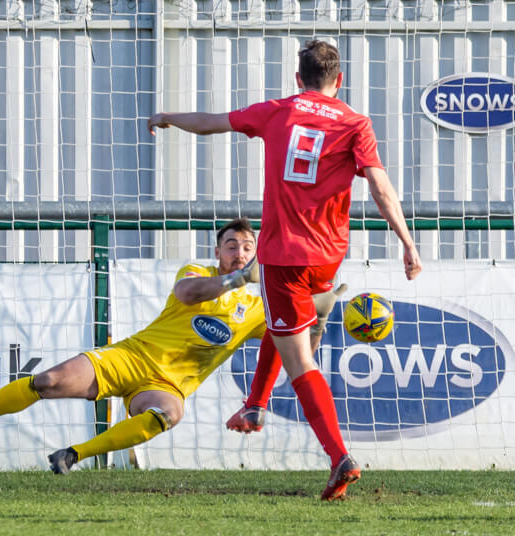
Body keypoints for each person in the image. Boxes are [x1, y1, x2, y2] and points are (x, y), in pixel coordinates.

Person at [149, 38, 422, 501]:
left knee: (300, 360)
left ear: (298, 79)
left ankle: (339, 457)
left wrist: (169, 117)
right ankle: (255, 406)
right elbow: (378, 185)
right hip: (328, 254)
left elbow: (213, 124)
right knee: (284, 323)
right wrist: (407, 242)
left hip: (284, 256)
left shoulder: (277, 110)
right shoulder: (357, 122)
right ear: (340, 81)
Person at [0, 218, 269, 473]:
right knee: (47, 381)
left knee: (169, 414)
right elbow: (188, 294)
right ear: (218, 250)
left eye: (247, 247)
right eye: (232, 245)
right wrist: (237, 278)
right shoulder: (198, 272)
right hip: (131, 357)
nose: (240, 252)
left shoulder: (255, 310)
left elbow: (297, 331)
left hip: (167, 386)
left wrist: (321, 300)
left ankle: (73, 455)